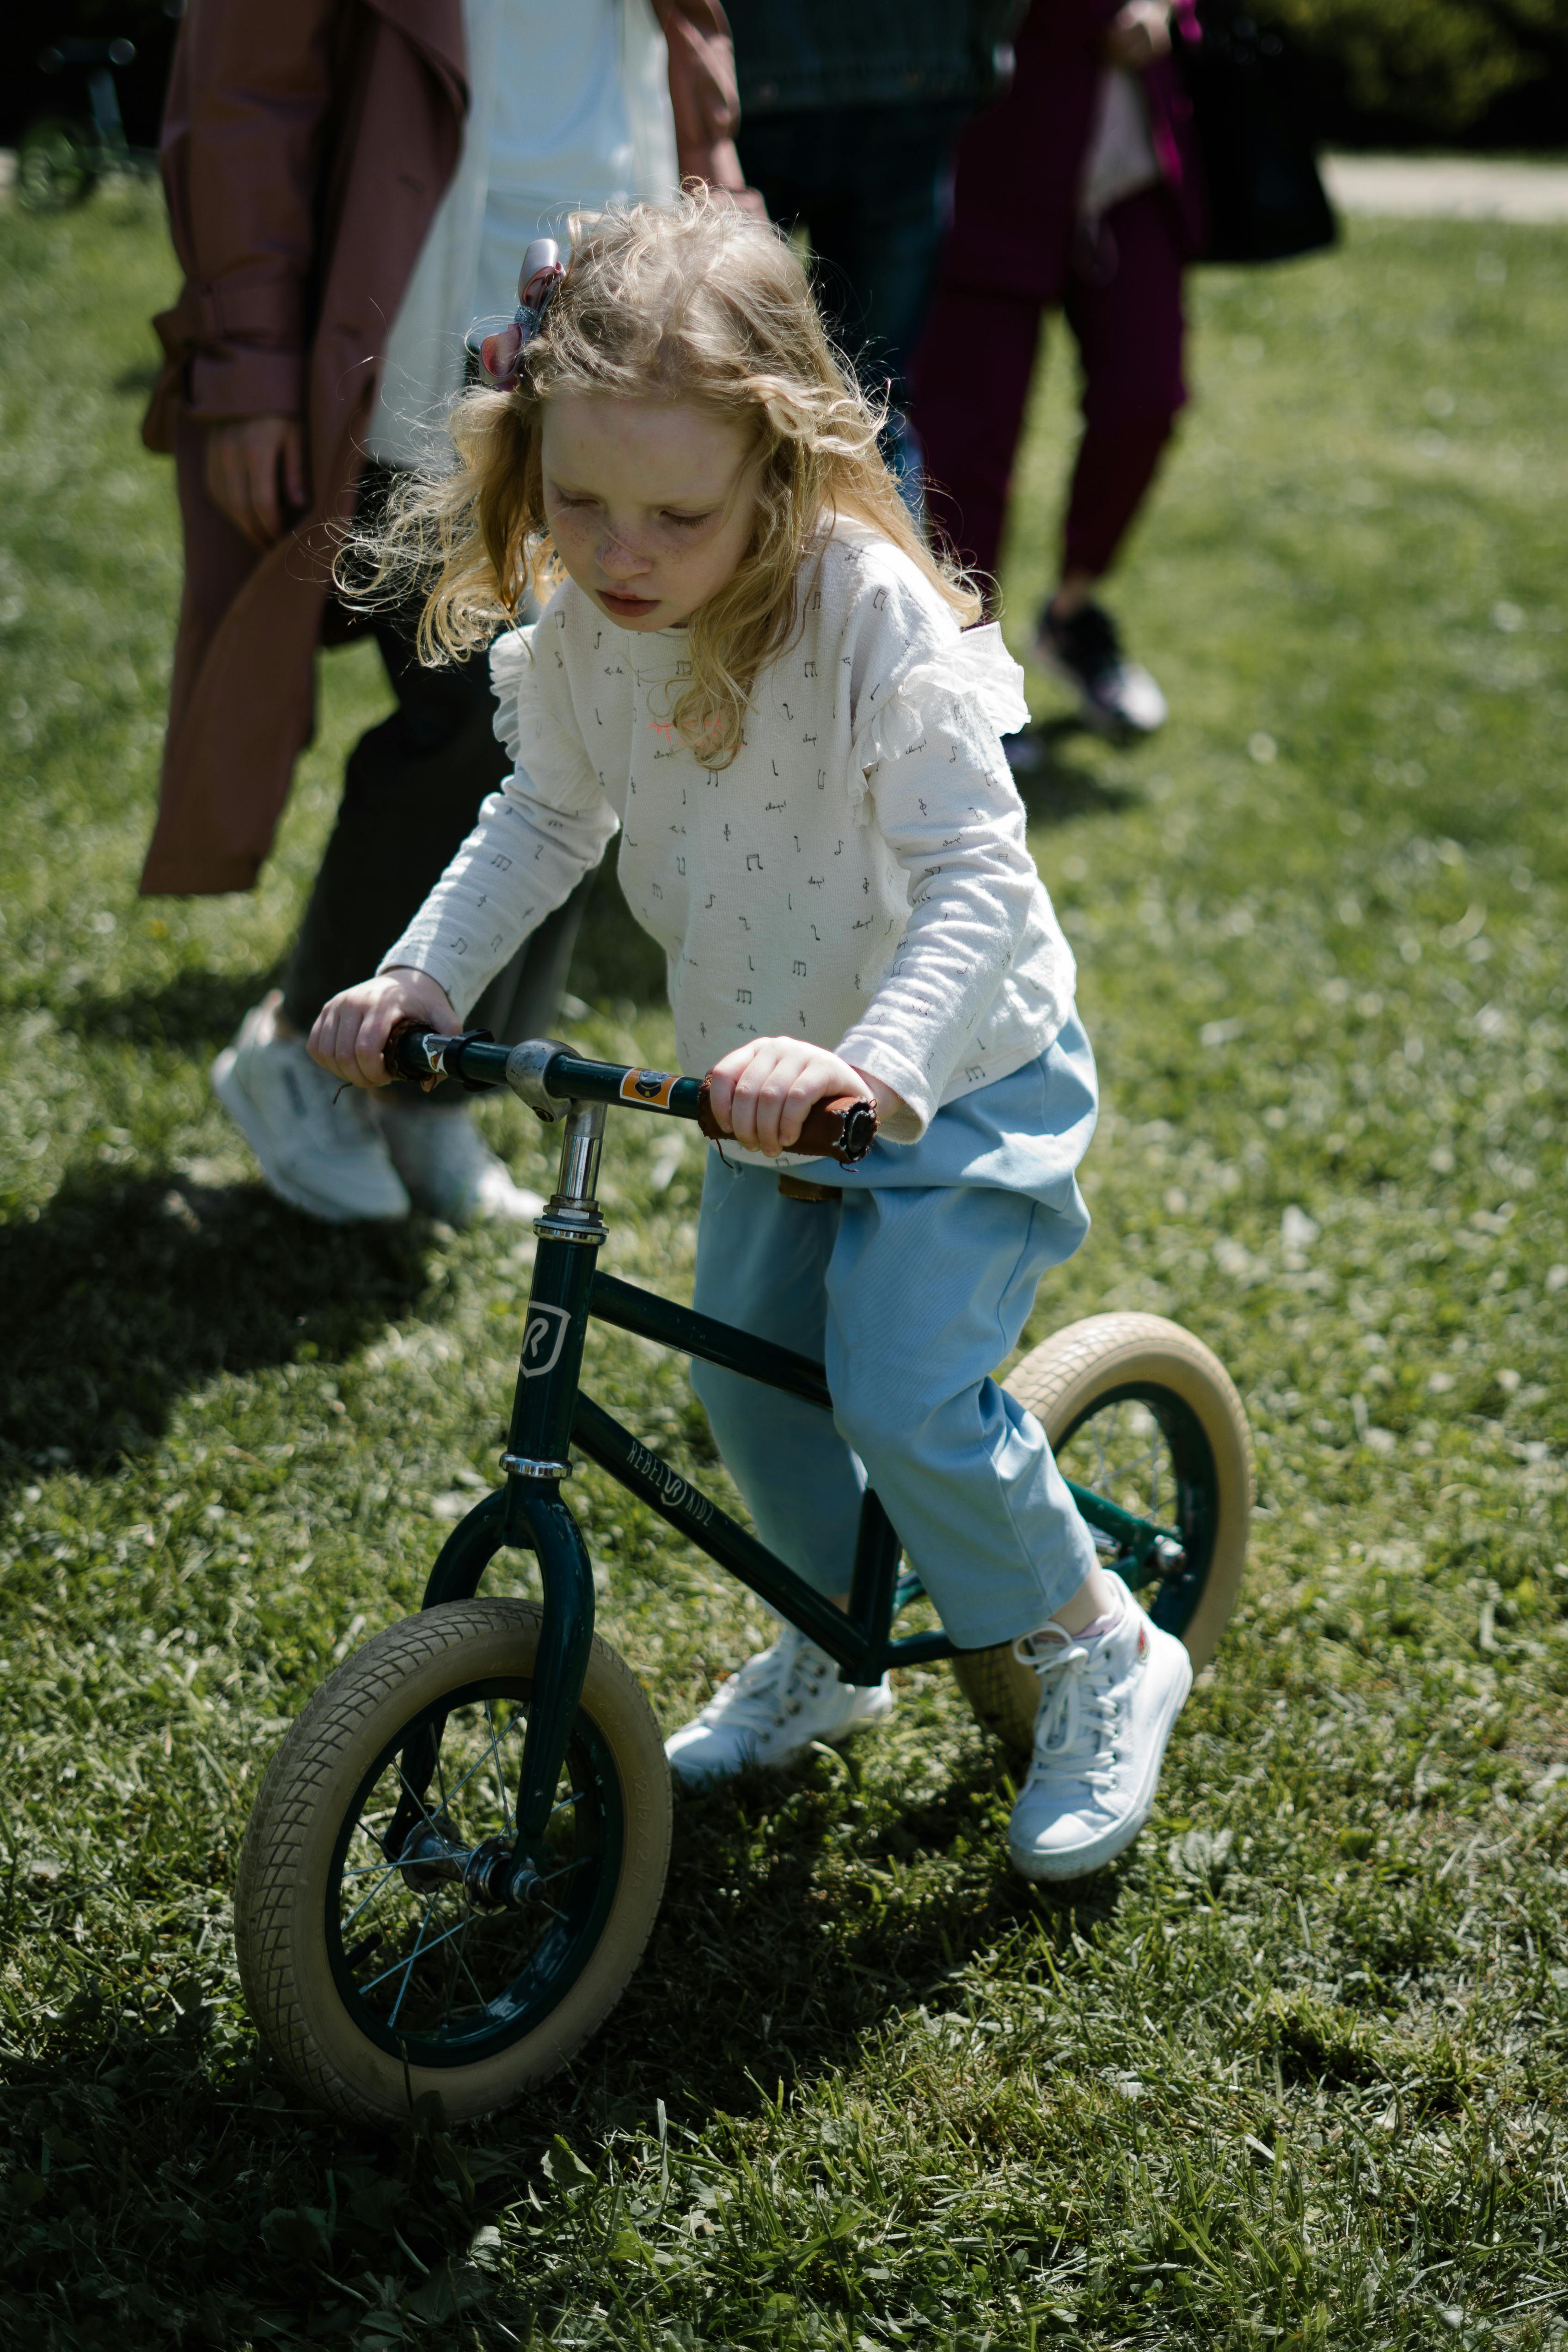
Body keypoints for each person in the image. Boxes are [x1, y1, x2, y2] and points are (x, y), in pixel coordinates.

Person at [307, 194, 1194, 1881]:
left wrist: (876, 1066)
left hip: (956, 1078)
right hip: (754, 1087)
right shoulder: (590, 624)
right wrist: (423, 976)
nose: (620, 550)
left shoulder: (870, 621)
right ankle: (831, 1635)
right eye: (577, 500)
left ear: (779, 474)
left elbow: (972, 881)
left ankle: (1098, 1640)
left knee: (900, 1384)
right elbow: (540, 820)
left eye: (672, 514)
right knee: (748, 1379)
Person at [141, 0, 751, 1225]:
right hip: (414, 340)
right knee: (484, 713)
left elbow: (689, 63)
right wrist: (248, 358)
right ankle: (308, 1046)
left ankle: (427, 1092)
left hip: (630, 345)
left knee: (596, 724)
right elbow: (243, 97)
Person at [912, 0, 1205, 740]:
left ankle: (1070, 619)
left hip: (1127, 161)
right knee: (967, 446)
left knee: (1146, 396)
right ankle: (965, 694)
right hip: (999, 151)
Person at [723, 0, 1022, 495]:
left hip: (749, 68)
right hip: (917, 67)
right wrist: (979, 52)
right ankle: (883, 570)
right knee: (872, 404)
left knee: (725, 398)